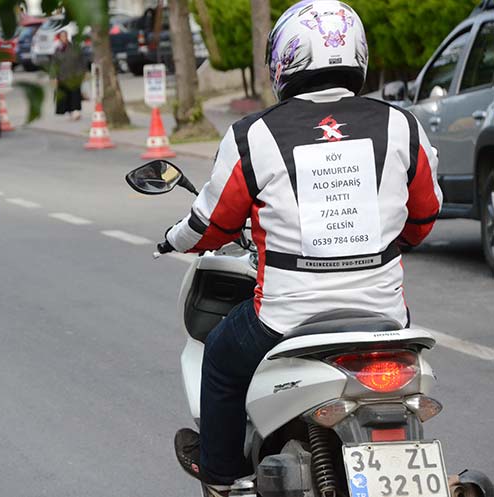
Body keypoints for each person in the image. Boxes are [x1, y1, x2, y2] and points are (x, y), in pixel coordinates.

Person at [162, 1, 443, 495]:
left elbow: (212, 221)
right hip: (384, 315)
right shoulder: (402, 125)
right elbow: (422, 217)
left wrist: (173, 240)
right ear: (357, 53)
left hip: (285, 315)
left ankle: (223, 478)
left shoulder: (254, 134)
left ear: (283, 62)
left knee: (222, 361)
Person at [51, 30, 85, 120]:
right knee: (66, 95)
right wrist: (54, 76)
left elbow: (81, 61)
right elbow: (54, 64)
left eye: (65, 36)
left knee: (75, 94)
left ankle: (76, 111)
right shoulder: (58, 50)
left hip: (74, 75)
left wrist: (81, 73)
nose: (63, 38)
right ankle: (70, 111)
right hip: (62, 76)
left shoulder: (74, 48)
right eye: (61, 37)